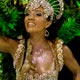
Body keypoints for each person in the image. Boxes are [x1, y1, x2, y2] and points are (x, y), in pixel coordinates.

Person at [0, 0, 80, 80]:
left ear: (48, 23)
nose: (30, 18)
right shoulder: (17, 47)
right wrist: (22, 72)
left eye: (38, 14)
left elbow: (77, 71)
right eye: (28, 14)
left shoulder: (59, 50)